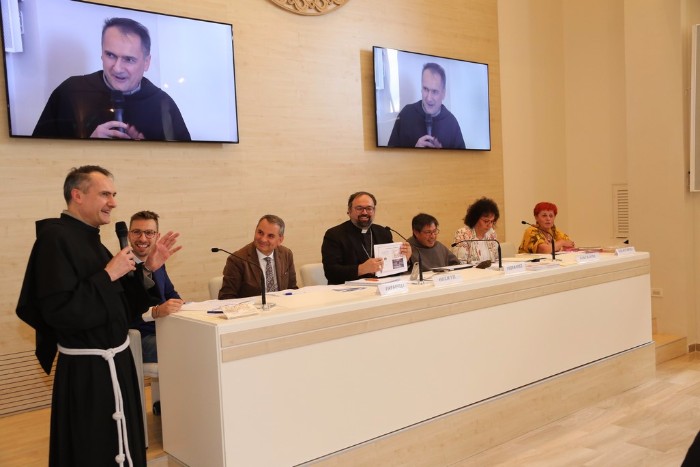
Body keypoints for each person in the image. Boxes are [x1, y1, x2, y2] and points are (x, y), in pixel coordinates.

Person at [16, 165, 181, 467]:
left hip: (116, 362)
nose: (113, 202)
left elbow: (123, 306)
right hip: (89, 370)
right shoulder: (54, 240)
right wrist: (108, 275)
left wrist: (148, 269)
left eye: (113, 195)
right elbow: (59, 312)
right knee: (93, 448)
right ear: (77, 195)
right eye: (105, 194)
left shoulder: (91, 240)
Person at [33, 17, 191, 141]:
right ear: (102, 53)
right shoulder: (70, 92)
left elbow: (183, 162)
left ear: (146, 62)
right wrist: (87, 145)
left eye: (128, 59)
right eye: (110, 55)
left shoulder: (163, 104)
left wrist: (147, 152)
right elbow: (38, 156)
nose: (117, 68)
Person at [321, 191, 412, 285]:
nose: (364, 212)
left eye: (369, 208)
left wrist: (404, 259)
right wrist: (361, 269)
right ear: (349, 211)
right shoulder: (335, 234)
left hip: (381, 288)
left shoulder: (383, 232)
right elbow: (330, 272)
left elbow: (391, 271)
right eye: (359, 208)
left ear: (374, 211)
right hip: (347, 289)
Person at [128, 210, 183, 364]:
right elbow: (124, 313)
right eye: (137, 232)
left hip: (166, 329)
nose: (142, 238)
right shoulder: (120, 266)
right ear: (129, 235)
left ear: (157, 236)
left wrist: (184, 306)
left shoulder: (159, 263)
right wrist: (157, 311)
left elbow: (171, 294)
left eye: (149, 233)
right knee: (188, 346)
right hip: (141, 337)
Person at [387, 62, 465, 149]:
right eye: (425, 89)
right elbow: (390, 155)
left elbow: (463, 157)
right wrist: (414, 152)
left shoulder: (452, 123)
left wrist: (442, 154)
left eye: (434, 91)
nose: (429, 98)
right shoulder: (406, 114)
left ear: (443, 94)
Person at [218, 215, 298, 299]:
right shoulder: (237, 260)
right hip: (252, 307)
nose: (263, 239)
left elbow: (292, 289)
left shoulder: (286, 254)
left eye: (270, 236)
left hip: (283, 305)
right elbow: (226, 297)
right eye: (260, 232)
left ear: (280, 240)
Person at [452, 197, 500, 263]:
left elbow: (497, 260)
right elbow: (459, 263)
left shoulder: (491, 234)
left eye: (492, 221)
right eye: (486, 221)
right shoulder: (463, 234)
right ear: (475, 218)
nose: (490, 225)